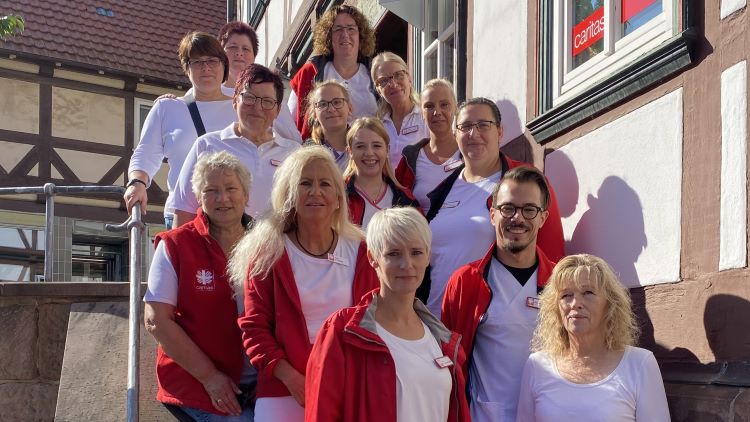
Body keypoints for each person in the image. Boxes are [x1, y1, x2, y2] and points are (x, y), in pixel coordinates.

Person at [229, 146, 379, 421]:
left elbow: (374, 321)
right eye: (305, 184)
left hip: (347, 386)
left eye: (325, 184)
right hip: (284, 388)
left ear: (337, 197)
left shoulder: (362, 251)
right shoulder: (267, 253)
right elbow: (254, 328)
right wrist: (291, 378)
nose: (315, 192)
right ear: (289, 195)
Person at [305, 207, 470, 421]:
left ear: (428, 256)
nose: (407, 264)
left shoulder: (443, 340)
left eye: (416, 252)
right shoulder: (341, 331)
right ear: (373, 258)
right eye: (393, 254)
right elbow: (321, 413)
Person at [423, 97, 565, 316]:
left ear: (499, 131)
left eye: (483, 125)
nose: (473, 133)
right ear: (456, 134)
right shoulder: (442, 191)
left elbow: (551, 253)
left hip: (493, 323)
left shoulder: (526, 181)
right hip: (436, 319)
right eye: (465, 127)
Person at [143, 151, 256, 421]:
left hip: (263, 382)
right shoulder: (176, 244)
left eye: (231, 189)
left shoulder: (267, 242)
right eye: (211, 190)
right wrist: (210, 377)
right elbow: (156, 320)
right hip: (201, 384)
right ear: (199, 198)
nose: (222, 198)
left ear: (246, 195)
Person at [441, 166, 556, 422]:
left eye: (529, 209)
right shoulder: (465, 283)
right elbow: (449, 364)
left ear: (543, 218)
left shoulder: (562, 284)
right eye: (508, 208)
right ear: (493, 215)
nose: (518, 218)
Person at [516, 254, 670, 421]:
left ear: (610, 305)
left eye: (588, 292)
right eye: (566, 295)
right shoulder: (537, 365)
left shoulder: (639, 364)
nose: (575, 303)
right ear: (556, 308)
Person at [125, 32, 235, 229]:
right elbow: (145, 153)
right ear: (187, 68)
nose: (206, 68)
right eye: (197, 62)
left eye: (212, 60)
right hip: (184, 217)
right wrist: (137, 183)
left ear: (224, 64)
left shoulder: (244, 106)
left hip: (235, 215)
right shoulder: (168, 108)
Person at [171, 64, 300, 227]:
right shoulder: (207, 145)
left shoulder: (294, 153)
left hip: (278, 249)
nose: (257, 108)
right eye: (249, 98)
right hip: (220, 250)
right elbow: (184, 210)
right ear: (235, 100)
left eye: (267, 102)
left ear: (278, 109)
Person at [159, 22, 302, 143]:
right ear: (220, 54)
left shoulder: (270, 96)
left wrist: (264, 115)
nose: (239, 53)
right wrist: (169, 102)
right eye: (233, 47)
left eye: (246, 49)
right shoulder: (199, 94)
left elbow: (294, 140)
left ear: (254, 57)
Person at [289, 5, 377, 139]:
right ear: (329, 36)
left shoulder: (375, 72)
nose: (345, 35)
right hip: (323, 155)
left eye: (351, 29)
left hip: (368, 155)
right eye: (338, 29)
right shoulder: (310, 72)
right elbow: (288, 126)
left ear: (361, 35)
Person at [395, 78, 462, 213]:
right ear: (422, 113)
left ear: (455, 108)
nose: (437, 112)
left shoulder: (470, 152)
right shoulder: (410, 158)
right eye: (429, 106)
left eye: (444, 104)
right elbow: (399, 205)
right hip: (421, 232)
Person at [343, 117, 421, 229]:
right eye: (360, 146)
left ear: (387, 150)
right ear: (350, 151)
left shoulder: (404, 198)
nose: (369, 153)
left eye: (377, 146)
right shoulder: (337, 195)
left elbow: (419, 241)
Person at [371, 51, 428, 166]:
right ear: (378, 90)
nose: (393, 84)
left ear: (409, 78)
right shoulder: (376, 126)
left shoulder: (426, 117)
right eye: (384, 80)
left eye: (398, 75)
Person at [303, 80, 354, 171]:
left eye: (337, 102)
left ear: (349, 108)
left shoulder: (365, 145)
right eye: (323, 104)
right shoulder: (306, 153)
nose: (331, 109)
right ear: (314, 114)